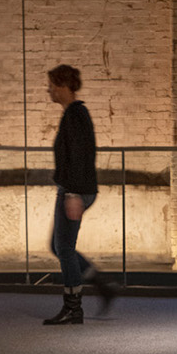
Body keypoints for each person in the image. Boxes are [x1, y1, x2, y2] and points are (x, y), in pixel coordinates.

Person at [43, 64, 116, 325]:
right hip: (73, 189)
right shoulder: (73, 114)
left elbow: (81, 156)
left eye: (51, 84)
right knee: (58, 246)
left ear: (63, 85)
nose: (48, 89)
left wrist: (73, 193)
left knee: (63, 247)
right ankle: (100, 283)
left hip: (75, 190)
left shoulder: (76, 114)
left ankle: (73, 307)